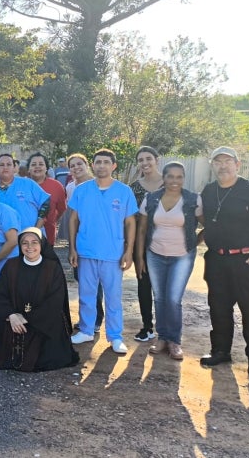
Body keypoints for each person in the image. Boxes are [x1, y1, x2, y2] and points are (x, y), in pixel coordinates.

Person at [199, 146, 249, 376]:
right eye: (218, 161)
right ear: (212, 165)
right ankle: (220, 351)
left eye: (227, 161)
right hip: (216, 260)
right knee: (218, 308)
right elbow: (209, 221)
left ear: (237, 164)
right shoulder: (209, 191)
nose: (222, 165)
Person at [68, 149, 138, 355]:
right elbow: (73, 220)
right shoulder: (82, 190)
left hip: (113, 253)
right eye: (98, 162)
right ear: (93, 165)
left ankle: (115, 336)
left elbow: (130, 222)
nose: (101, 166)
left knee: (113, 297)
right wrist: (72, 248)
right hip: (86, 251)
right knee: (86, 294)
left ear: (113, 166)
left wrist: (129, 251)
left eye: (106, 162)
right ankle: (87, 330)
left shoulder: (124, 191)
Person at [135, 162, 202, 362]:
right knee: (160, 298)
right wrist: (139, 257)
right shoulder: (151, 198)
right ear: (163, 178)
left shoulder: (193, 199)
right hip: (155, 254)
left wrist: (194, 242)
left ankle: (174, 340)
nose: (175, 180)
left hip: (181, 256)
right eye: (170, 176)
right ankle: (162, 338)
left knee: (173, 299)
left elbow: (209, 224)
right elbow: (142, 229)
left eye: (179, 176)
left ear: (183, 178)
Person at [0, 227, 79, 372]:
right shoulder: (11, 266)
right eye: (25, 243)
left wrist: (26, 318)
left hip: (44, 321)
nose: (30, 247)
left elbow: (55, 301)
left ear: (42, 244)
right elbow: (0, 295)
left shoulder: (53, 268)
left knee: (45, 355)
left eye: (34, 242)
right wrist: (11, 315)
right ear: (20, 245)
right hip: (14, 321)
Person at [63, 153, 104, 332]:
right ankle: (86, 318)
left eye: (80, 164)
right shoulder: (71, 187)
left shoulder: (100, 184)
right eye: (72, 165)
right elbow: (72, 216)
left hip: (98, 240)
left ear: (88, 165)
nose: (76, 168)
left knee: (96, 281)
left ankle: (96, 319)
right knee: (81, 279)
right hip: (79, 239)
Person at [129, 146, 163, 342]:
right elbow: (131, 219)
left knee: (164, 288)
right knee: (144, 284)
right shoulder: (134, 188)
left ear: (156, 159)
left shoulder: (169, 183)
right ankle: (147, 326)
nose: (145, 163)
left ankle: (167, 329)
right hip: (141, 243)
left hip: (166, 242)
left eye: (148, 158)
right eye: (141, 160)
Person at [0, 154, 50, 232]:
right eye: (1, 165)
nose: (5, 167)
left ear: (14, 168)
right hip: (4, 240)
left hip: (31, 239)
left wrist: (36, 230)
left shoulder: (28, 183)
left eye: (9, 164)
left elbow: (45, 203)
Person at [27, 153, 66, 243]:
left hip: (48, 235)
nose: (37, 167)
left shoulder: (57, 186)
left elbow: (61, 209)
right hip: (25, 235)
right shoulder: (21, 185)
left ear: (47, 168)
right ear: (29, 169)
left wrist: (51, 220)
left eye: (41, 164)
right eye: (33, 164)